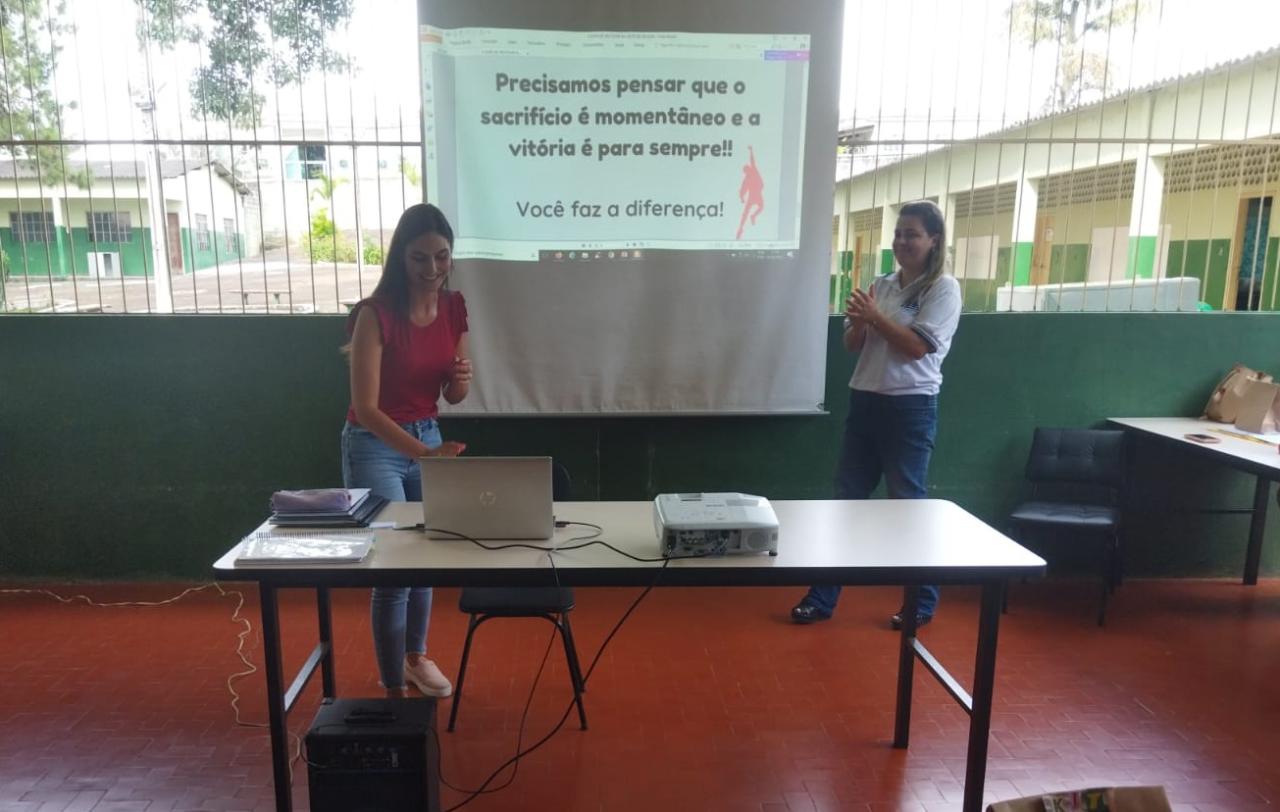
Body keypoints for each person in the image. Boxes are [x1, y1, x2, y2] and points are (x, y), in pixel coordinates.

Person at [790, 199, 961, 629]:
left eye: (912, 234)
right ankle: (821, 598)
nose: (901, 241)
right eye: (899, 233)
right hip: (865, 402)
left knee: (907, 508)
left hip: (909, 408)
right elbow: (852, 344)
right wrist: (861, 322)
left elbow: (917, 348)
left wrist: (874, 318)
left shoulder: (943, 289)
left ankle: (920, 603)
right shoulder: (882, 284)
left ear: (933, 240)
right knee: (844, 505)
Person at [341, 203, 473, 697]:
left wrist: (461, 382)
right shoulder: (373, 316)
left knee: (427, 558)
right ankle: (393, 691)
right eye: (420, 258)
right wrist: (426, 454)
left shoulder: (455, 307)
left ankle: (416, 657)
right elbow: (367, 408)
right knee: (393, 567)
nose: (433, 269)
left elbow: (453, 396)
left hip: (427, 435)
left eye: (442, 257)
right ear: (400, 258)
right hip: (375, 443)